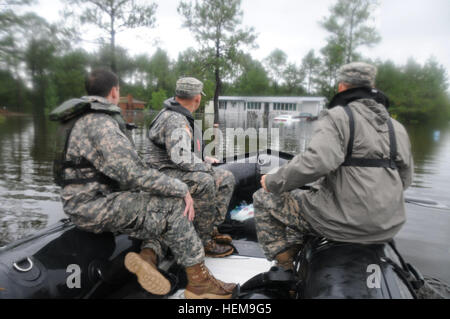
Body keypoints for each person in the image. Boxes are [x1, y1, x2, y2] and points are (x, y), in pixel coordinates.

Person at [49, 69, 236, 299]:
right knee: (172, 207)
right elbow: (133, 173)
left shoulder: (81, 118)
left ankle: (150, 255)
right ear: (114, 91)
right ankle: (199, 283)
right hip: (92, 206)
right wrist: (180, 188)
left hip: (87, 201)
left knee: (159, 203)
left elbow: (123, 171)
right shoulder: (100, 123)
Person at [253, 62, 414, 271]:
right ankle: (299, 248)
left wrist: (272, 181)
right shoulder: (396, 127)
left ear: (342, 87)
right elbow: (405, 180)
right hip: (388, 226)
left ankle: (285, 267)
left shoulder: (338, 117)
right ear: (372, 85)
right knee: (311, 199)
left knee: (263, 197)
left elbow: (315, 162)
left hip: (345, 225)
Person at [146, 77, 236, 258]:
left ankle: (209, 227)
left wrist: (203, 158)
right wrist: (206, 167)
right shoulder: (175, 119)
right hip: (162, 174)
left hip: (171, 168)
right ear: (197, 98)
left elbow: (182, 151)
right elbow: (180, 157)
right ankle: (203, 242)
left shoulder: (176, 114)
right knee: (205, 181)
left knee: (226, 178)